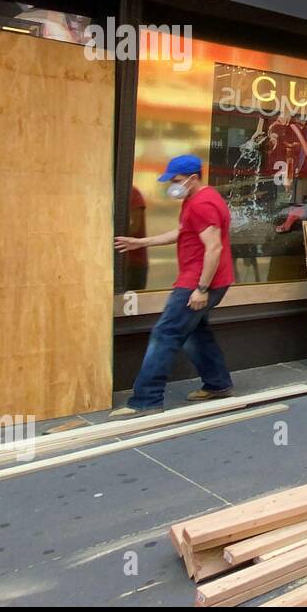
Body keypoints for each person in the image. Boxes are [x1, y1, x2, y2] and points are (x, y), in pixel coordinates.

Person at [112, 154, 236, 417]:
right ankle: (218, 384)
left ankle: (146, 400)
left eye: (176, 180)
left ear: (192, 178)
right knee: (194, 332)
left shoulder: (202, 203)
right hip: (203, 279)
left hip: (199, 281)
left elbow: (213, 247)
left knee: (165, 333)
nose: (172, 186)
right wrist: (140, 242)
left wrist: (201, 289)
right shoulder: (197, 198)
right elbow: (184, 232)